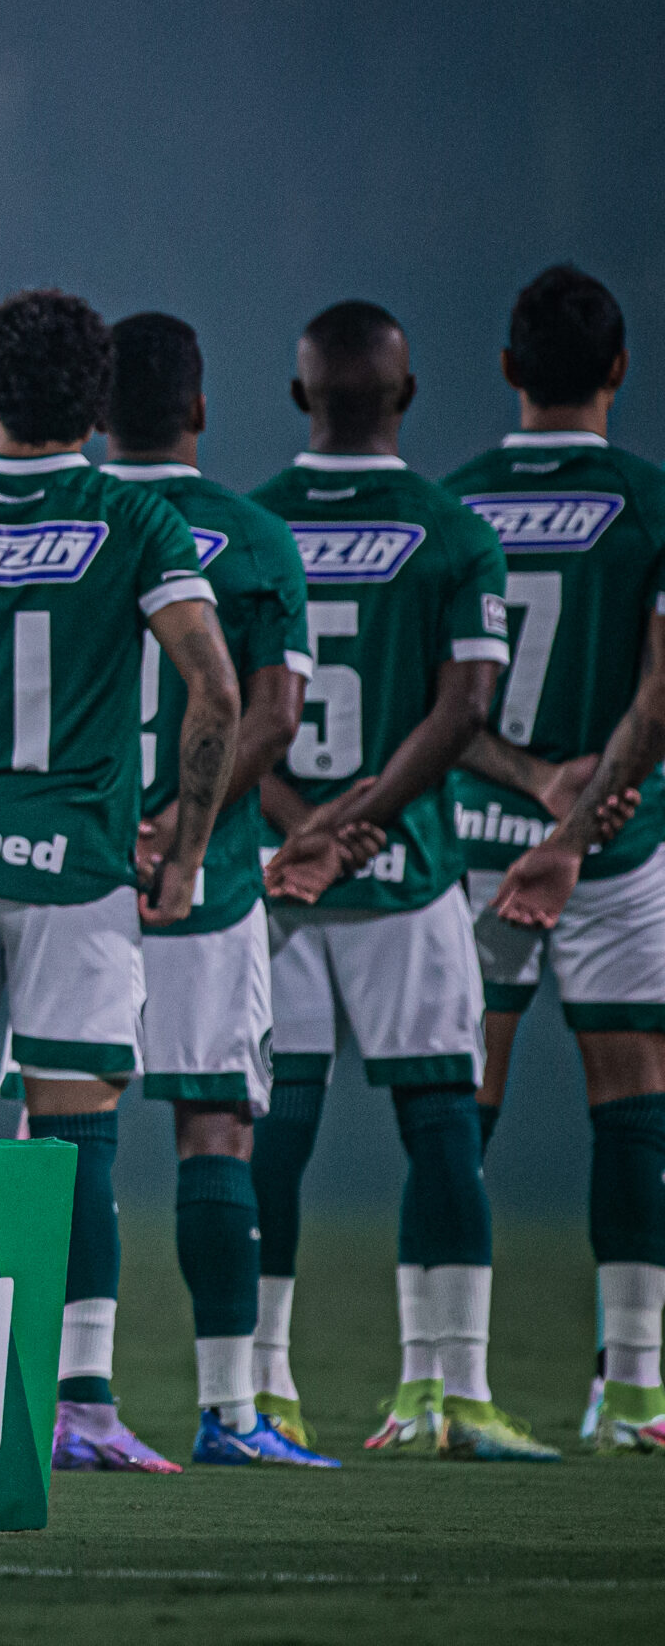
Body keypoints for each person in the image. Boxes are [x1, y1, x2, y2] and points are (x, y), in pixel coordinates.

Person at [0, 289, 240, 1473]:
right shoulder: (135, 520)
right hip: (78, 868)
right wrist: (189, 843)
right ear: (96, 404)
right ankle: (84, 1405)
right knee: (77, 1136)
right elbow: (215, 690)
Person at [248, 300, 557, 1461]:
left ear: (298, 397)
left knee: (272, 1131)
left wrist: (301, 828)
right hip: (411, 874)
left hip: (281, 882)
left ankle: (263, 1392)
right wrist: (366, 819)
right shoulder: (449, 530)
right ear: (407, 395)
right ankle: (452, 1395)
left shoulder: (254, 522)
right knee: (441, 1126)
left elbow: (226, 709)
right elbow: (463, 709)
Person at [101, 311, 346, 1467]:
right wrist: (185, 825)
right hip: (203, 879)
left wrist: (126, 821)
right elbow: (275, 714)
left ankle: (61, 1398)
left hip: (77, 874)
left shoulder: (66, 519)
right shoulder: (252, 540)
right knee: (214, 1126)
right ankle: (229, 1413)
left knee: (67, 1125)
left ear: (99, 413)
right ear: (198, 410)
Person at [442, 265, 665, 1454]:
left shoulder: (454, 503)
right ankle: (632, 1392)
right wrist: (577, 822)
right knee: (632, 1106)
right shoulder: (649, 502)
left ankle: (444, 1381)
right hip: (620, 853)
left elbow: (427, 704)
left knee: (456, 1107)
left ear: (508, 371)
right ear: (618, 371)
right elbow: (661, 693)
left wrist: (528, 787)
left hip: (474, 845)